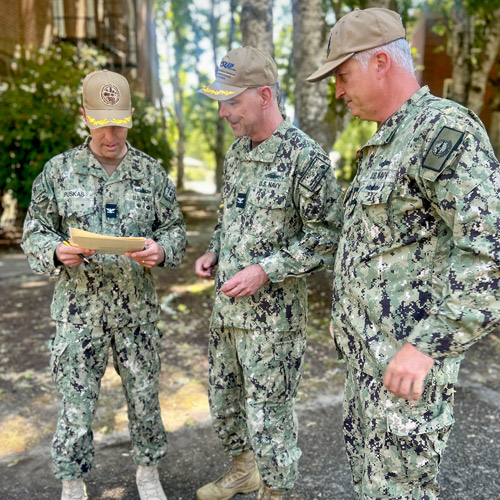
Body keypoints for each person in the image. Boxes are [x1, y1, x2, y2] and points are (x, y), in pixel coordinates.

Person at [307, 7, 500, 500]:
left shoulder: (441, 131)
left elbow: (489, 253)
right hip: (369, 364)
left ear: (380, 63)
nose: (338, 90)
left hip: (405, 370)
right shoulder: (388, 142)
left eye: (343, 75)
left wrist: (428, 345)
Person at [21, 70, 187, 500]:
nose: (110, 134)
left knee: (146, 399)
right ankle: (72, 484)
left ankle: (148, 473)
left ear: (130, 116)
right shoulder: (59, 171)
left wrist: (162, 251)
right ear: (84, 117)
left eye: (118, 123)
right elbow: (34, 231)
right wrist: (57, 251)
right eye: (100, 123)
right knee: (75, 405)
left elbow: (175, 231)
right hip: (80, 314)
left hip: (136, 314)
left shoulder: (150, 173)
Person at [194, 46, 343, 500]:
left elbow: (327, 236)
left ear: (264, 95)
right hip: (226, 313)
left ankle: (276, 492)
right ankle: (244, 471)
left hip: (273, 323)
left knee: (270, 416)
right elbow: (230, 219)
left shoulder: (306, 159)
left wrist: (266, 270)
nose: (223, 113)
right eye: (220, 102)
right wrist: (214, 251)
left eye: (232, 102)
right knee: (224, 405)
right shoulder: (237, 154)